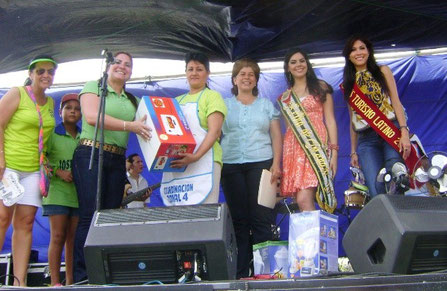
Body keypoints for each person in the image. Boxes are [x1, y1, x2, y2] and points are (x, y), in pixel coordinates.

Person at [71, 51, 151, 282]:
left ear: (131, 72)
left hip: (117, 160)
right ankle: (82, 275)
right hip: (91, 152)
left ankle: (105, 272)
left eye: (128, 65)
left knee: (109, 217)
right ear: (108, 66)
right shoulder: (94, 86)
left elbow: (148, 125)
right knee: (90, 215)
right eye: (117, 62)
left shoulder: (132, 100)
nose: (122, 67)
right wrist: (129, 125)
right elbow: (91, 117)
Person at [220, 59, 282, 278]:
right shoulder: (224, 105)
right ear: (234, 79)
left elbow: (276, 135)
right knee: (239, 220)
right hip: (230, 165)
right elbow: (215, 134)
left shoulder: (266, 105)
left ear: (256, 80)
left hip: (262, 163)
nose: (246, 77)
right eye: (242, 74)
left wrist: (276, 164)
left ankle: (265, 272)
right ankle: (240, 274)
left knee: (261, 218)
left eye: (251, 74)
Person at [0, 55, 57, 286]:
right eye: (41, 71)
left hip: (34, 170)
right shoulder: (17, 93)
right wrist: (1, 159)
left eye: (50, 72)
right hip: (10, 167)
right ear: (31, 73)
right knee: (3, 218)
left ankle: (19, 283)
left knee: (26, 222)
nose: (46, 75)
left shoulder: (52, 103)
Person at [342, 35, 411, 197]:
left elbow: (395, 101)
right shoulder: (348, 84)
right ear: (348, 55)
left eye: (362, 48)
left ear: (369, 51)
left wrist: (404, 132)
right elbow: (352, 118)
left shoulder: (383, 71)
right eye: (353, 50)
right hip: (366, 139)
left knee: (397, 179)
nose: (358, 52)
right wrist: (353, 151)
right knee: (376, 189)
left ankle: (399, 222)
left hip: (390, 130)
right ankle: (384, 222)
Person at [160, 52, 227, 205]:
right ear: (185, 73)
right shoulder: (176, 101)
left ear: (208, 73)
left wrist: (195, 156)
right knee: (178, 215)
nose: (194, 73)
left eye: (199, 69)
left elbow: (214, 131)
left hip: (205, 161)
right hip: (178, 164)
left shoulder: (212, 96)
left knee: (203, 213)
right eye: (190, 69)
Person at [278, 49, 338, 213]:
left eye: (302, 60)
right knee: (300, 201)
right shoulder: (285, 97)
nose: (298, 64)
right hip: (294, 150)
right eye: (293, 62)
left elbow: (330, 120)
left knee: (304, 199)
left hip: (315, 146)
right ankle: (311, 238)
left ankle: (313, 239)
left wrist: (334, 152)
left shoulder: (321, 87)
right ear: (288, 68)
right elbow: (289, 129)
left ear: (307, 64)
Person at [42, 93, 81, 286]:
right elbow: (41, 159)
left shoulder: (85, 136)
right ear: (60, 112)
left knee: (72, 239)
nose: (73, 111)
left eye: (77, 108)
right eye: (68, 108)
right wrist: (58, 172)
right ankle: (55, 282)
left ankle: (71, 281)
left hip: (78, 194)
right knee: (58, 236)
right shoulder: (52, 134)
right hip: (57, 193)